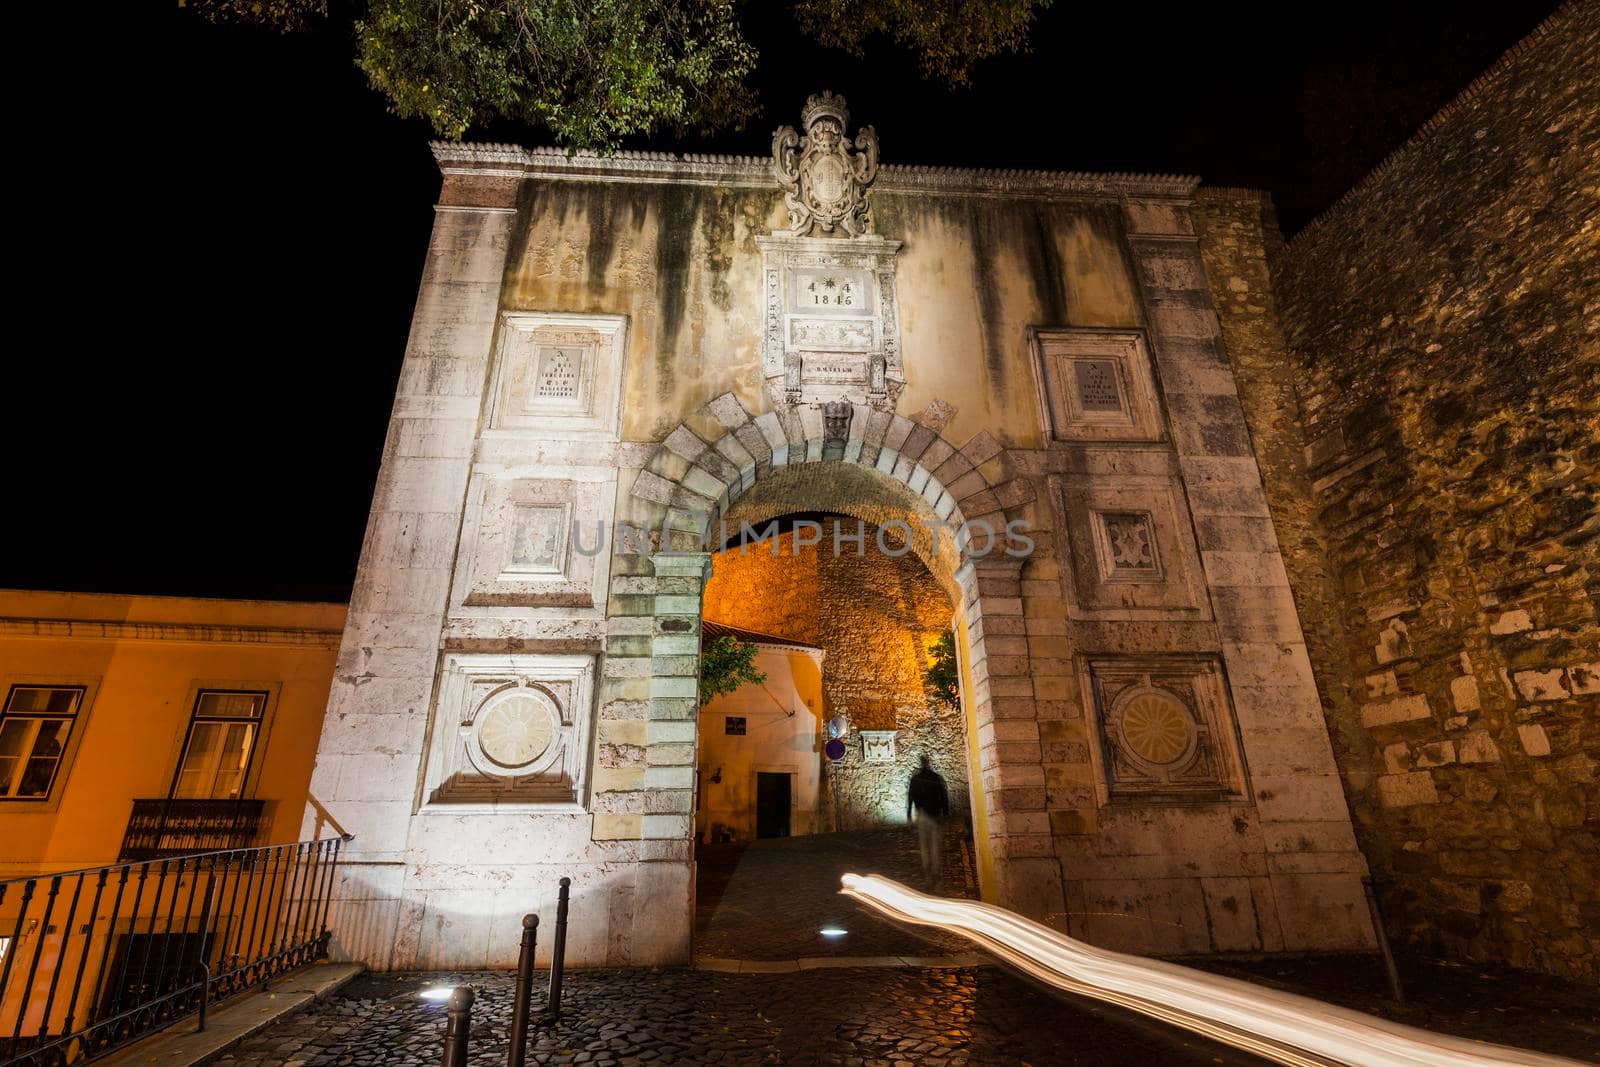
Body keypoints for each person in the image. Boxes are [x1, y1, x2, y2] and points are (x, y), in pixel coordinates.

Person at [906, 754, 949, 887]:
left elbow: (910, 798)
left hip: (922, 814)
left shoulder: (915, 779)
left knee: (924, 846)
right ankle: (936, 871)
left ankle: (928, 872)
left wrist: (909, 817)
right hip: (935, 815)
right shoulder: (936, 778)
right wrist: (946, 814)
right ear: (928, 763)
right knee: (935, 845)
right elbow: (944, 796)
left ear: (920, 763)